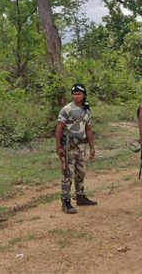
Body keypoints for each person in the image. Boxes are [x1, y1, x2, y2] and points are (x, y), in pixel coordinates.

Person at [55, 84, 96, 214]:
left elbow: (88, 129)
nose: (76, 96)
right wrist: (58, 147)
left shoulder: (87, 110)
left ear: (84, 95)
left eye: (79, 93)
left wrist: (92, 147)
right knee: (68, 173)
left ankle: (80, 197)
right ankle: (65, 202)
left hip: (81, 145)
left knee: (81, 172)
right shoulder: (66, 109)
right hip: (68, 145)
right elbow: (59, 128)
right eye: (74, 93)